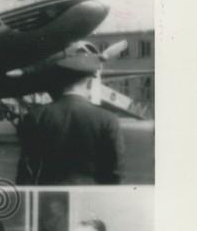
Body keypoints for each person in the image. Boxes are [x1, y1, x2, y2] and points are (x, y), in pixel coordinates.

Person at [16, 54, 125, 185]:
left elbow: (26, 172)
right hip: (92, 199)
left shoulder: (36, 116)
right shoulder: (108, 119)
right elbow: (115, 173)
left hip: (49, 199)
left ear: (59, 80)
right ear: (90, 82)